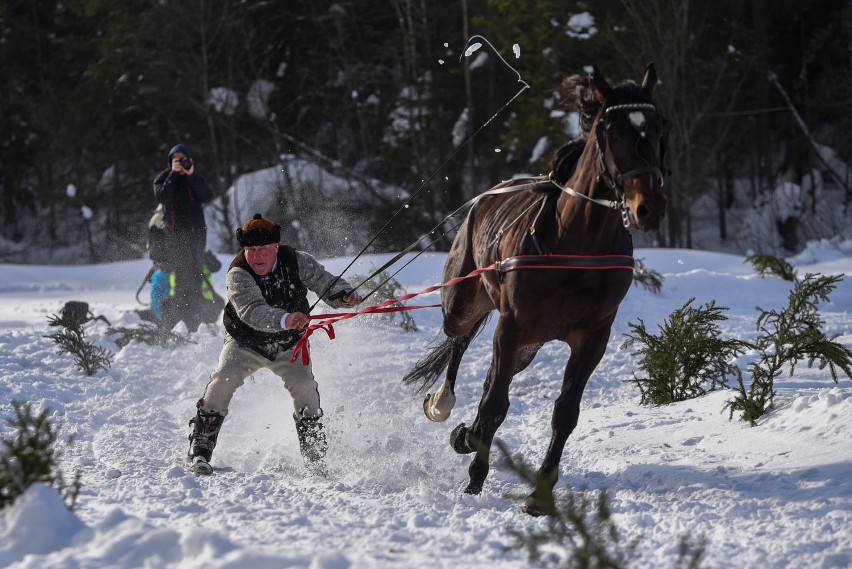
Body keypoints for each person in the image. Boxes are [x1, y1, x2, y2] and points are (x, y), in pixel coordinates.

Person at [186, 214, 362, 476]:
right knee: (223, 379)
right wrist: (286, 318)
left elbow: (325, 281)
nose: (256, 257)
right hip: (245, 342)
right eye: (250, 250)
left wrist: (343, 296)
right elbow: (252, 311)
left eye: (263, 250)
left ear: (276, 247)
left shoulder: (296, 260)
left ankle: (314, 457)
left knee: (306, 389)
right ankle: (201, 447)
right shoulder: (238, 274)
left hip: (290, 344)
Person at [153, 144, 213, 330]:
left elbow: (206, 195)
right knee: (181, 280)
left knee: (196, 277)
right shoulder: (163, 178)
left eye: (183, 159)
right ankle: (178, 322)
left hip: (197, 237)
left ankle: (195, 323)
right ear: (170, 161)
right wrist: (173, 174)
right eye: (175, 159)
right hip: (176, 238)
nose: (179, 162)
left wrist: (191, 175)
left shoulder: (193, 178)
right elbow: (163, 197)